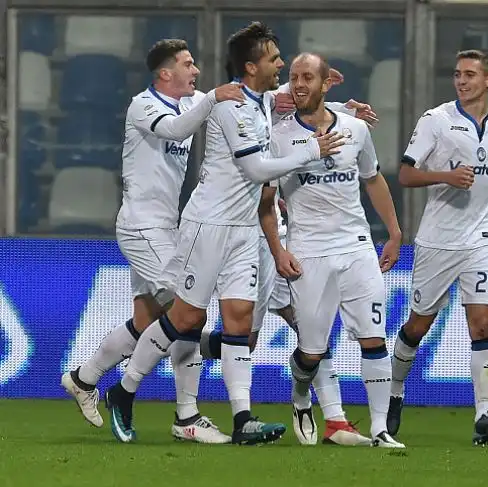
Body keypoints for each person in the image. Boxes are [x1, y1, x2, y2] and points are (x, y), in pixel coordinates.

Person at [104, 22, 345, 445]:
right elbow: (254, 169)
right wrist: (312, 150)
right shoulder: (231, 106)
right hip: (207, 225)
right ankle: (123, 392)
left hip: (242, 228)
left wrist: (343, 105)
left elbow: (296, 99)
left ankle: (243, 419)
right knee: (186, 318)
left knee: (237, 322)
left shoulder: (263, 99)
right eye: (274, 58)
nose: (282, 64)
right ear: (251, 66)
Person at [60, 39, 244, 444]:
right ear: (165, 73)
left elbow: (242, 100)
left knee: (147, 322)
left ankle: (82, 378)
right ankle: (186, 416)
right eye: (188, 63)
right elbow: (179, 128)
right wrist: (213, 97)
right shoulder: (143, 105)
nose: (196, 70)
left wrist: (328, 106)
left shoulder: (192, 99)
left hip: (166, 227)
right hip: (143, 226)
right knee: (189, 314)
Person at [267, 52, 405, 448]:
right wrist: (278, 249)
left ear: (326, 83)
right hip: (308, 250)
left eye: (307, 77)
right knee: (312, 350)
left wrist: (394, 232)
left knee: (373, 336)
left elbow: (373, 179)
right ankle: (299, 395)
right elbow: (266, 202)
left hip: (357, 246)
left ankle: (379, 429)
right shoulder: (278, 136)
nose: (298, 84)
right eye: (293, 77)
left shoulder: (356, 129)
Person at [386, 49, 488, 446]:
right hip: (438, 242)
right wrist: (446, 175)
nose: (461, 81)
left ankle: (483, 416)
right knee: (417, 326)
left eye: (470, 75)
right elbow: (406, 174)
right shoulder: (436, 120)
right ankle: (394, 391)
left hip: (482, 240)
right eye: (457, 74)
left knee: (482, 326)